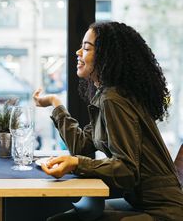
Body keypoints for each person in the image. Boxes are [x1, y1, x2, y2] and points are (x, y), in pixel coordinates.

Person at [33, 21, 183, 220]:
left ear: (106, 56)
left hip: (163, 210)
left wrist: (76, 163)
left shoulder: (114, 99)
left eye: (86, 48)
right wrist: (55, 103)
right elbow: (81, 146)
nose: (78, 52)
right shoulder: (107, 96)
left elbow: (127, 170)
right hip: (141, 202)